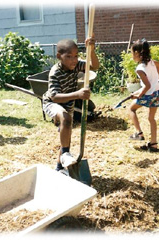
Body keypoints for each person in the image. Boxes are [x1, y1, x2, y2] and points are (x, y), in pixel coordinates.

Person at [43, 37, 99, 171]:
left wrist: (91, 50)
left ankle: (59, 168)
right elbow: (54, 96)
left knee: (65, 138)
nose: (74, 60)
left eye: (76, 56)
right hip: (52, 103)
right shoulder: (55, 72)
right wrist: (78, 94)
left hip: (68, 104)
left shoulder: (75, 65)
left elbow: (94, 66)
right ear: (59, 56)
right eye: (69, 56)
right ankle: (66, 154)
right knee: (66, 119)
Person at [128, 39, 159, 152]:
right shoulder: (152, 62)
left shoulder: (140, 68)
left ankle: (139, 133)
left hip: (148, 94)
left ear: (137, 53)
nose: (132, 56)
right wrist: (158, 77)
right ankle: (153, 144)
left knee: (131, 109)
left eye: (132, 53)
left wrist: (138, 95)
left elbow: (147, 86)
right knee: (151, 118)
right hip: (157, 92)